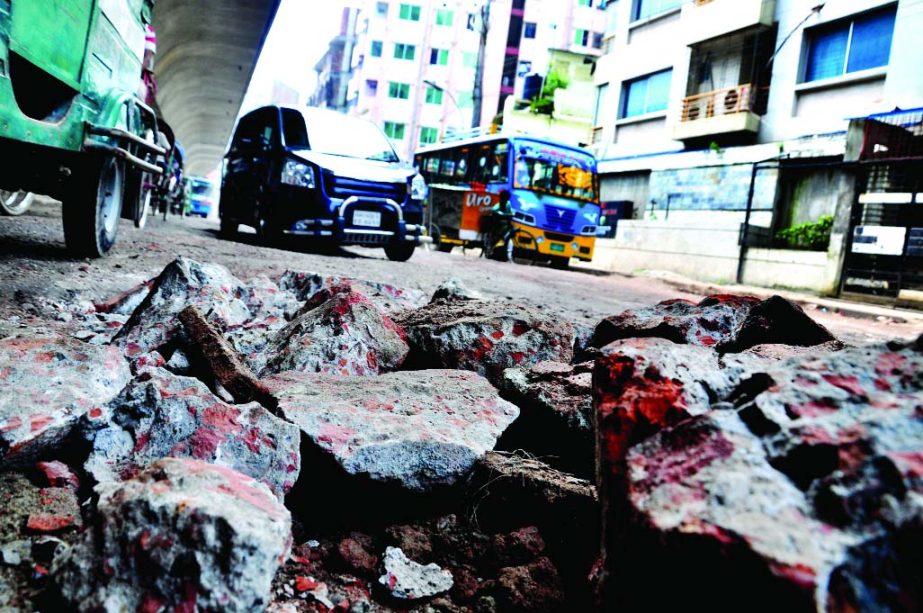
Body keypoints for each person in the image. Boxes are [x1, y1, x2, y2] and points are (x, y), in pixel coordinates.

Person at [486, 190, 514, 262]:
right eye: (504, 199)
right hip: (497, 227)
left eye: (506, 199)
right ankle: (489, 250)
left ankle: (509, 257)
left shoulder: (508, 204)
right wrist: (507, 215)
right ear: (501, 198)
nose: (505, 200)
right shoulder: (496, 207)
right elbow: (499, 215)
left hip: (505, 227)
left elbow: (511, 213)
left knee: (509, 242)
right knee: (494, 241)